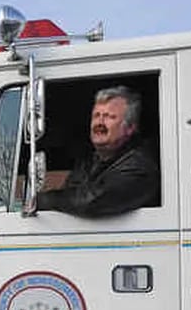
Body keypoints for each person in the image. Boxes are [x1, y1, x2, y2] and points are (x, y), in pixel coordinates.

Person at [37, 85, 160, 217]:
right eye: (96, 116)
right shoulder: (89, 162)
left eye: (109, 117)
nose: (99, 123)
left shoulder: (139, 166)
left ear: (129, 128)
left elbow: (90, 202)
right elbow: (71, 195)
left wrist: (42, 200)